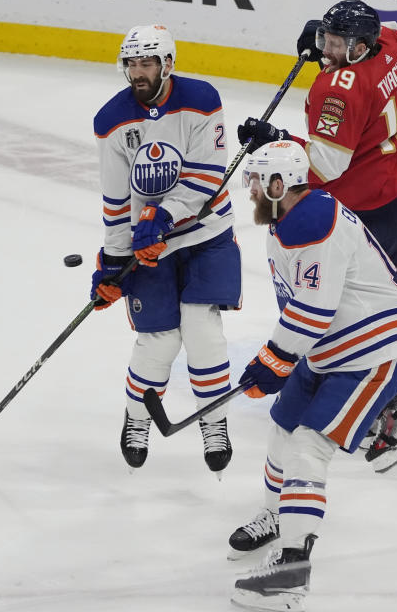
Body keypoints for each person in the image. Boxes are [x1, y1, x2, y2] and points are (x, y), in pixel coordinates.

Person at [229, 141, 397, 611]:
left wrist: (274, 358)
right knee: (282, 429)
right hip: (329, 348)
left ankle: (290, 575)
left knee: (308, 445)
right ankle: (278, 515)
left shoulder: (313, 223)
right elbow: (305, 307)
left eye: (258, 181)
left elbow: (315, 309)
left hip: (373, 348)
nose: (252, 189)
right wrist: (280, 359)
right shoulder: (290, 219)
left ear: (280, 185)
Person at [235, 0, 397, 473]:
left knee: (338, 318)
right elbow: (395, 24)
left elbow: (326, 164)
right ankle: (374, 407)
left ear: (361, 46)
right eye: (327, 39)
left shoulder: (340, 88)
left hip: (355, 217)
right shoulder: (392, 44)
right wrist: (329, 38)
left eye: (338, 44)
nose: (328, 50)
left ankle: (392, 421)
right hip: (391, 203)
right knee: (369, 314)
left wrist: (277, 141)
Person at [90, 24, 242, 476]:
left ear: (167, 64)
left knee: (203, 331)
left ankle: (214, 423)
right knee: (159, 339)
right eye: (132, 63)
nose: (138, 72)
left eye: (147, 63)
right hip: (148, 246)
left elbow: (207, 177)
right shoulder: (111, 121)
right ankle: (137, 418)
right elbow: (117, 201)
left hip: (205, 234)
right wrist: (113, 263)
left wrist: (164, 216)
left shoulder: (201, 99)